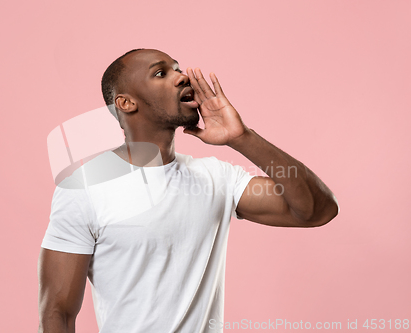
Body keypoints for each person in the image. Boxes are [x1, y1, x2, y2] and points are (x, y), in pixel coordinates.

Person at [37, 48, 339, 333]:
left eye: (178, 69)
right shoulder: (85, 188)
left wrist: (242, 137)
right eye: (161, 73)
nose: (182, 77)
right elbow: (57, 311)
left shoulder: (217, 177)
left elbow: (317, 210)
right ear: (126, 103)